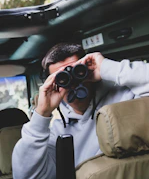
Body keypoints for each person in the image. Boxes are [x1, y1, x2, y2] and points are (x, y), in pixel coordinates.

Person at [12, 42, 149, 179]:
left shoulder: (127, 100)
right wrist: (41, 114)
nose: (72, 84)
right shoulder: (58, 135)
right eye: (62, 79)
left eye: (77, 72)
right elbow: (26, 176)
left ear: (87, 70)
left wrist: (107, 68)